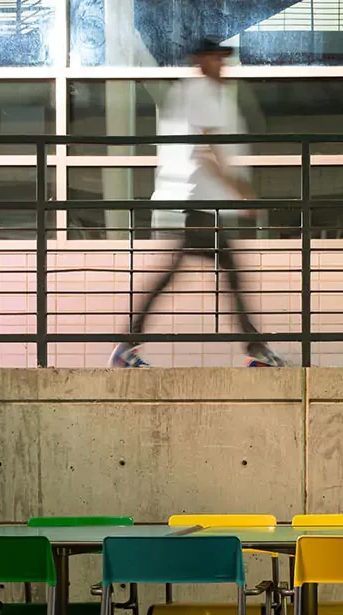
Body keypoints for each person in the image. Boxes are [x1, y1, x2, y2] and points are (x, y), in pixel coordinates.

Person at [111, 37, 285, 368]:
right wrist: (241, 189)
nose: (222, 65)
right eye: (215, 58)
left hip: (209, 206)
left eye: (223, 59)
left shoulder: (208, 93)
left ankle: (129, 343)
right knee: (227, 275)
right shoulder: (202, 92)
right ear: (199, 61)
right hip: (205, 206)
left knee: (193, 274)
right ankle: (256, 349)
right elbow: (207, 146)